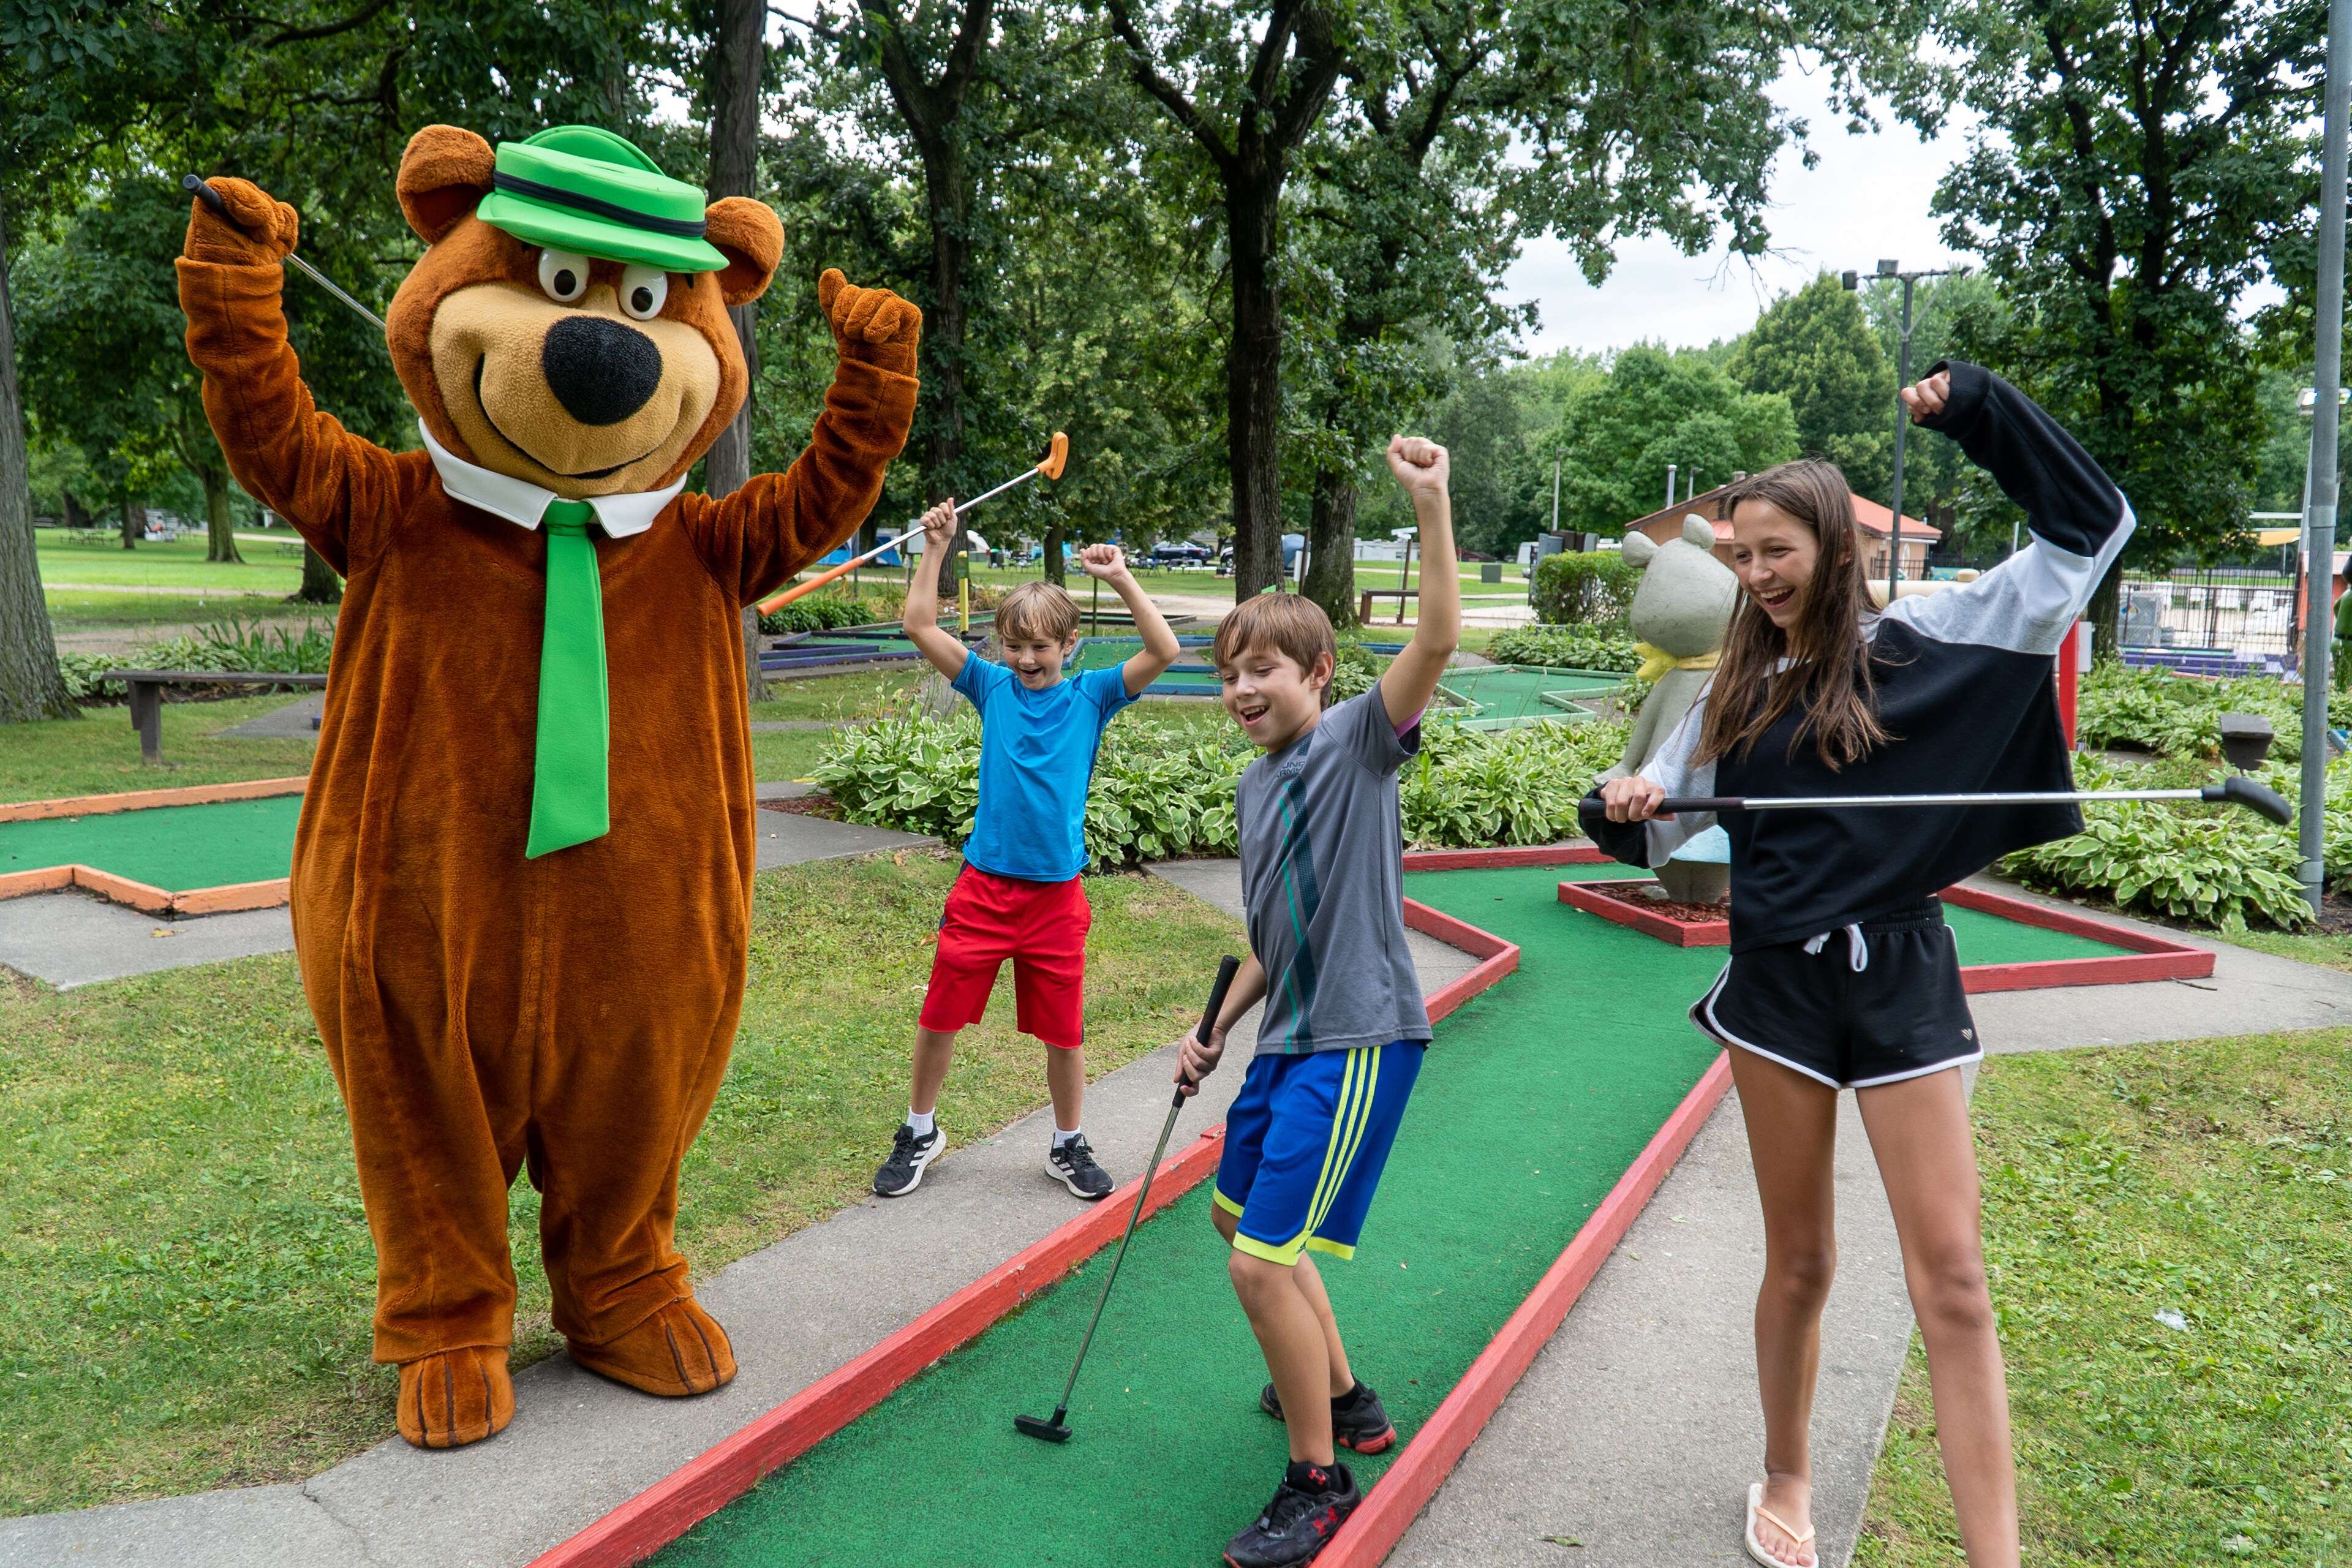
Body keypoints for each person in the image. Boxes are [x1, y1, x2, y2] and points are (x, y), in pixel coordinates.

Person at [1589, 362, 2133, 1568]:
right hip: (1778, 988)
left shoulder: (1941, 632)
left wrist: (1982, 407)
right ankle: (1787, 1473)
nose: (1757, 573)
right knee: (1802, 1262)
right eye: (1742, 555)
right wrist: (1620, 800)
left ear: (1837, 547)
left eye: (1776, 550)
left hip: (1901, 975)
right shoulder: (1735, 687)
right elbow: (1656, 811)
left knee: (1956, 1281)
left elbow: (2095, 527)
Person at [1175, 435, 1461, 1568]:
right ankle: (1344, 1397)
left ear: (1319, 675)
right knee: (1237, 1221)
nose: (1243, 689)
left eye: (1264, 670)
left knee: (1260, 1264)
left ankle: (1318, 1482)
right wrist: (1213, 1028)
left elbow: (1435, 639)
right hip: (1290, 1038)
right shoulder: (1256, 784)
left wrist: (1429, 504)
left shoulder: (1356, 745)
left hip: (1358, 1038)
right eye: (1228, 673)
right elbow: (1272, 936)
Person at [871, 503, 1181, 1202]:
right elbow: (919, 625)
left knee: (1064, 1034)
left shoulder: (1093, 696)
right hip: (983, 890)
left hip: (1055, 900)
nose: (1027, 659)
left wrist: (1122, 578)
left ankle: (1067, 1144)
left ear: (1070, 644)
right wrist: (937, 546)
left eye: (1041, 646)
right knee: (939, 1016)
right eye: (1014, 645)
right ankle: (920, 1129)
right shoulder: (990, 685)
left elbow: (1163, 651)